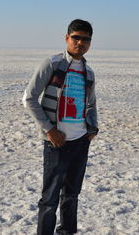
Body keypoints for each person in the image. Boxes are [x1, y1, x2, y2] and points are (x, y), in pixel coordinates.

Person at [23, 19, 99, 235]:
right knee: (50, 198)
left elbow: (92, 103)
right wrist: (49, 130)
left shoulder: (89, 72)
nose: (80, 43)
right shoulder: (53, 64)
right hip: (56, 142)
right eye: (76, 37)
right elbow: (29, 98)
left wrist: (92, 130)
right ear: (67, 38)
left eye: (86, 39)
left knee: (72, 194)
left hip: (80, 141)